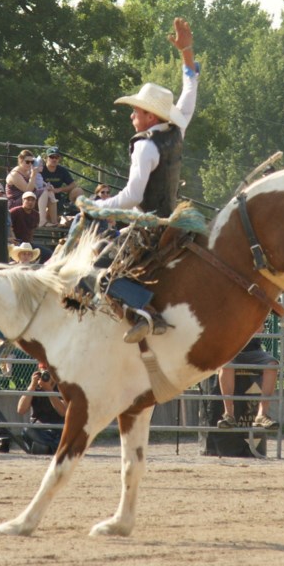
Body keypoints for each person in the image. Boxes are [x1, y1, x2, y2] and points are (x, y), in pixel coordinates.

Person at [90, 17, 199, 343]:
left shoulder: (145, 146)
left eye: (136, 110)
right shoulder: (176, 129)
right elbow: (191, 86)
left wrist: (97, 206)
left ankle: (147, 313)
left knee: (99, 271)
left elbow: (131, 195)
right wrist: (187, 52)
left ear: (151, 116)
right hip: (173, 222)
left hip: (147, 228)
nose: (132, 115)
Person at [216, 337, 280, 430]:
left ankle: (262, 415)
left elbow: (259, 328)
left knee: (272, 365)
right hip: (231, 350)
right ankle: (229, 415)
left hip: (254, 351)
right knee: (225, 363)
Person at [16, 364, 66, 454]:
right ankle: (52, 448)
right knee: (26, 430)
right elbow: (21, 410)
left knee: (69, 434)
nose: (47, 374)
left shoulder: (61, 386)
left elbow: (63, 412)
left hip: (58, 429)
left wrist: (49, 390)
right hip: (40, 430)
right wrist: (32, 386)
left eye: (49, 371)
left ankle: (46, 447)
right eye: (44, 370)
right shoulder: (35, 387)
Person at [5, 149, 56, 222]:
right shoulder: (15, 174)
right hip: (15, 203)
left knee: (50, 192)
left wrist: (46, 186)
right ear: (20, 160)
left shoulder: (27, 171)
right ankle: (42, 221)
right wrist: (33, 176)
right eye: (27, 162)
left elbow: (35, 187)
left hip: (26, 199)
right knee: (44, 192)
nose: (30, 164)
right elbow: (28, 191)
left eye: (32, 162)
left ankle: (54, 222)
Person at [38, 147, 83, 222]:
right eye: (51, 157)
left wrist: (59, 190)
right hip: (44, 198)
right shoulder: (40, 169)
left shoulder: (62, 170)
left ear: (59, 159)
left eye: (56, 157)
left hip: (59, 197)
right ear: (45, 158)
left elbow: (73, 184)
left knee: (78, 190)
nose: (54, 159)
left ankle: (82, 216)